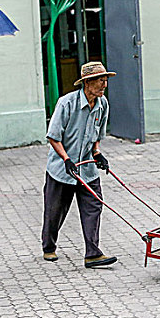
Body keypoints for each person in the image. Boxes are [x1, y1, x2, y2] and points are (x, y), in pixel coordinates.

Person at [42, 61, 118, 268]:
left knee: (94, 205)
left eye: (105, 80)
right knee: (54, 211)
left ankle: (92, 253)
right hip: (61, 168)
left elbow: (97, 135)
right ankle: (49, 246)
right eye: (100, 80)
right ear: (87, 83)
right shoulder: (67, 104)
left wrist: (97, 153)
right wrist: (66, 159)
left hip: (87, 167)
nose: (104, 84)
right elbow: (53, 137)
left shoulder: (103, 105)